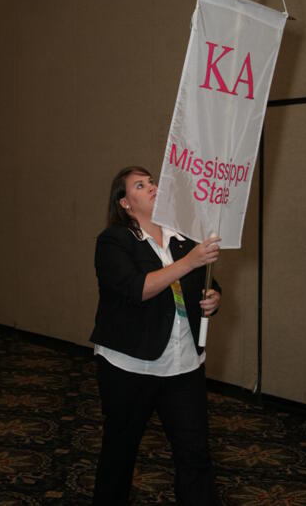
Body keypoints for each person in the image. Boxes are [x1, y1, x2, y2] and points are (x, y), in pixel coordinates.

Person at [91, 165, 222, 506]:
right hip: (131, 366)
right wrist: (189, 262)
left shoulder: (182, 237)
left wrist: (213, 299)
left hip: (184, 365)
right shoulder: (114, 241)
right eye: (140, 185)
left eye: (152, 181)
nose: (151, 186)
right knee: (120, 456)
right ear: (125, 203)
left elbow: (205, 282)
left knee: (195, 455)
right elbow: (137, 289)